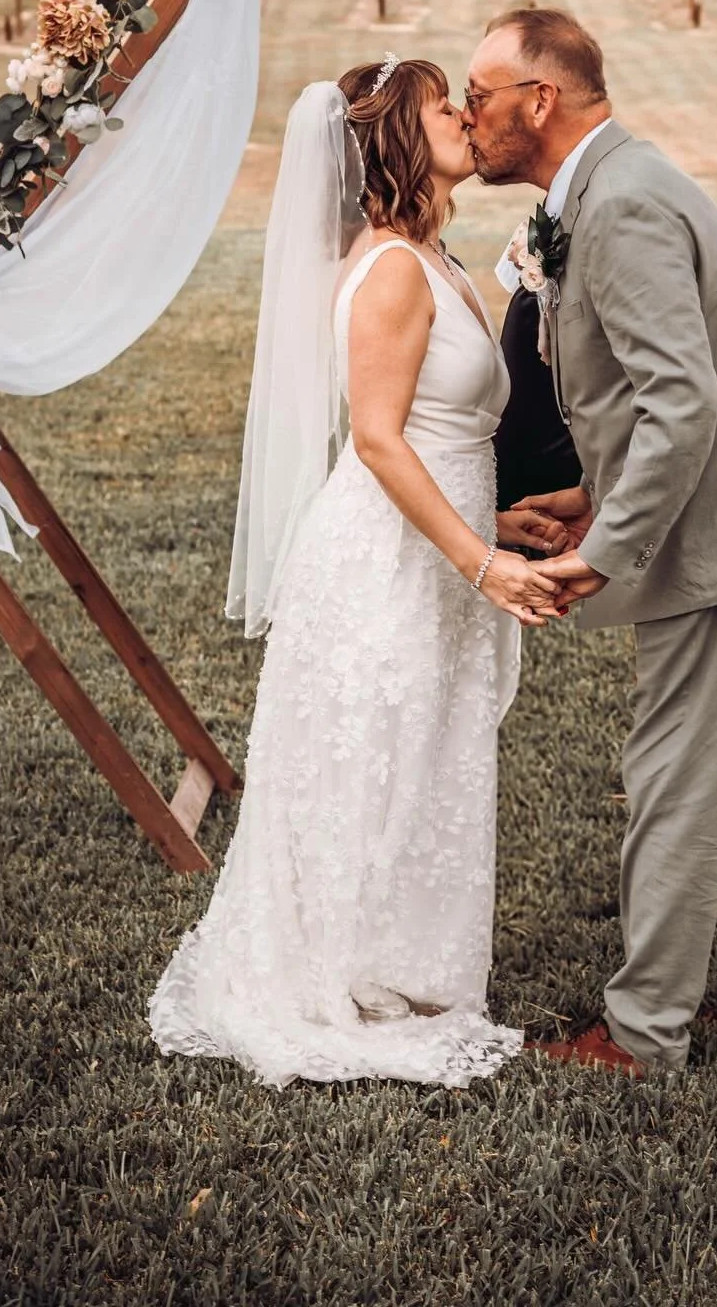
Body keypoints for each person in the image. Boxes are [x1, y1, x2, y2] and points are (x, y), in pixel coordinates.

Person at [149, 56, 568, 1088]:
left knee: (418, 758)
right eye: (442, 106)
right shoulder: (389, 270)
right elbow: (379, 441)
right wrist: (482, 561)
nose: (465, 115)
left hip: (430, 547)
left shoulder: (433, 259)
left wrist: (495, 518)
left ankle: (395, 959)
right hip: (384, 563)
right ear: (395, 140)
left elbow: (436, 433)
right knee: (375, 762)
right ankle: (337, 969)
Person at [465, 7, 717, 1078]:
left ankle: (642, 1034)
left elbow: (681, 401)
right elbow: (656, 396)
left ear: (540, 99)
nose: (469, 115)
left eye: (481, 95)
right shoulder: (610, 185)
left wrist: (605, 549)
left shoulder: (621, 202)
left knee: (671, 774)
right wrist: (595, 493)